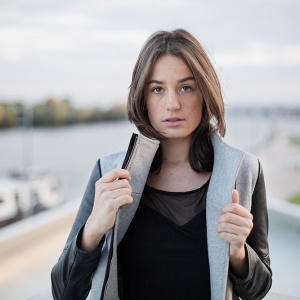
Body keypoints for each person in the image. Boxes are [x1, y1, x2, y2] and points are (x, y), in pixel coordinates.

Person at [51, 29, 272, 300]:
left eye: (186, 87)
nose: (173, 104)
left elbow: (258, 291)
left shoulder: (245, 171)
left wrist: (238, 252)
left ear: (205, 92)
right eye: (157, 89)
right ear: (143, 98)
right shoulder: (109, 173)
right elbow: (63, 293)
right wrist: (94, 229)